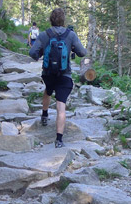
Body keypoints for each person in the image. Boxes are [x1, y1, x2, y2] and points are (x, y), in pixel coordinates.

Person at [29, 8, 87, 148]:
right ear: (63, 20)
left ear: (51, 20)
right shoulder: (70, 34)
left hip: (48, 74)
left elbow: (32, 52)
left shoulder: (44, 34)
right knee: (61, 106)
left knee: (48, 90)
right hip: (64, 75)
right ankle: (59, 140)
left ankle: (44, 115)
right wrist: (72, 47)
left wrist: (40, 55)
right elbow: (82, 52)